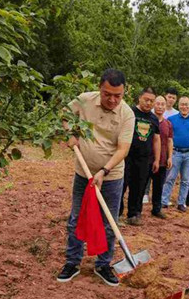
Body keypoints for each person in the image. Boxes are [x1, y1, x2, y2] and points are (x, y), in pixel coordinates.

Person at [57, 68, 134, 287]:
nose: (112, 99)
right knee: (75, 218)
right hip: (83, 173)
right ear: (100, 88)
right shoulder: (84, 100)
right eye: (107, 94)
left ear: (124, 92)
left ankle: (103, 264)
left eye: (117, 96)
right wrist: (70, 133)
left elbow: (123, 149)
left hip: (111, 176)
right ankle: (72, 262)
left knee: (109, 222)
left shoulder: (127, 114)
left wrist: (104, 171)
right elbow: (64, 113)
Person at [120, 88, 160, 226]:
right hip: (127, 156)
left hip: (144, 159)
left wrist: (157, 159)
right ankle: (117, 213)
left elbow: (156, 140)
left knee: (139, 187)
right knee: (122, 184)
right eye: (146, 100)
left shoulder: (154, 119)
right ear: (139, 99)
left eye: (151, 101)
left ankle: (134, 214)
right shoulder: (130, 113)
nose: (148, 103)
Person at [161, 96, 189, 212]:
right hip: (175, 152)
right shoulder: (171, 119)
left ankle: (181, 202)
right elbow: (168, 137)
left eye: (186, 104)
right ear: (179, 106)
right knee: (170, 178)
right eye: (182, 104)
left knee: (186, 180)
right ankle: (164, 201)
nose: (184, 107)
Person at [150, 95, 173, 219]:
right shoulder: (149, 120)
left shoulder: (168, 124)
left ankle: (156, 209)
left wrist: (170, 157)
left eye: (162, 104)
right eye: (158, 104)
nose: (160, 106)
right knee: (141, 185)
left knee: (159, 186)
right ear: (154, 105)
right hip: (148, 159)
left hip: (163, 160)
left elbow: (170, 141)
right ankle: (136, 211)